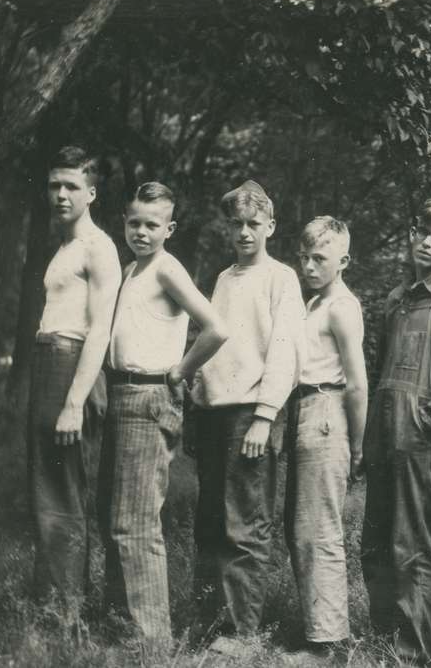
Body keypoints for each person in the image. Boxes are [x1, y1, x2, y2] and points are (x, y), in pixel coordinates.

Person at [100, 181, 228, 641]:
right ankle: (124, 628)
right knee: (116, 517)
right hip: (121, 395)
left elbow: (216, 328)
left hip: (150, 395)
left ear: (169, 229)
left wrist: (180, 371)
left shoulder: (166, 268)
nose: (141, 231)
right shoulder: (130, 269)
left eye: (152, 225)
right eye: (134, 222)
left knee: (136, 521)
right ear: (124, 223)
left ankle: (152, 641)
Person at [360, 198, 431, 662]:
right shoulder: (396, 298)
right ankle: (382, 635)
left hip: (424, 444)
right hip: (384, 437)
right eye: (420, 232)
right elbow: (379, 369)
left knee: (416, 546)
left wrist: (423, 425)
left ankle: (415, 651)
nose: (426, 242)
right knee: (376, 541)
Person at [188, 181, 304, 652]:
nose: (244, 232)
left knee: (245, 523)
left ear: (270, 227)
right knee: (211, 520)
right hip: (214, 411)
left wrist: (265, 415)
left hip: (249, 414)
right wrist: (196, 397)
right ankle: (210, 621)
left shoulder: (282, 278)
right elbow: (212, 346)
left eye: (253, 224)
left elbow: (284, 351)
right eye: (236, 224)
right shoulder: (223, 278)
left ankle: (244, 632)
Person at [27, 146, 121, 635]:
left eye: (70, 186)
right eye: (53, 185)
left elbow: (100, 329)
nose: (60, 194)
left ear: (91, 193)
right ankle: (51, 609)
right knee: (46, 491)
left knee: (64, 494)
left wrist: (73, 403)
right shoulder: (64, 246)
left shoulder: (97, 247)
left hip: (72, 369)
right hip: (49, 363)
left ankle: (65, 619)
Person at [285, 216, 367, 657]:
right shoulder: (315, 303)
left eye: (320, 258)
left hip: (327, 411)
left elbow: (357, 383)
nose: (310, 266)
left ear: (344, 260)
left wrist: (357, 446)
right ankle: (318, 630)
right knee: (303, 531)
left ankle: (329, 643)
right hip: (305, 409)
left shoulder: (342, 306)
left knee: (320, 531)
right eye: (304, 257)